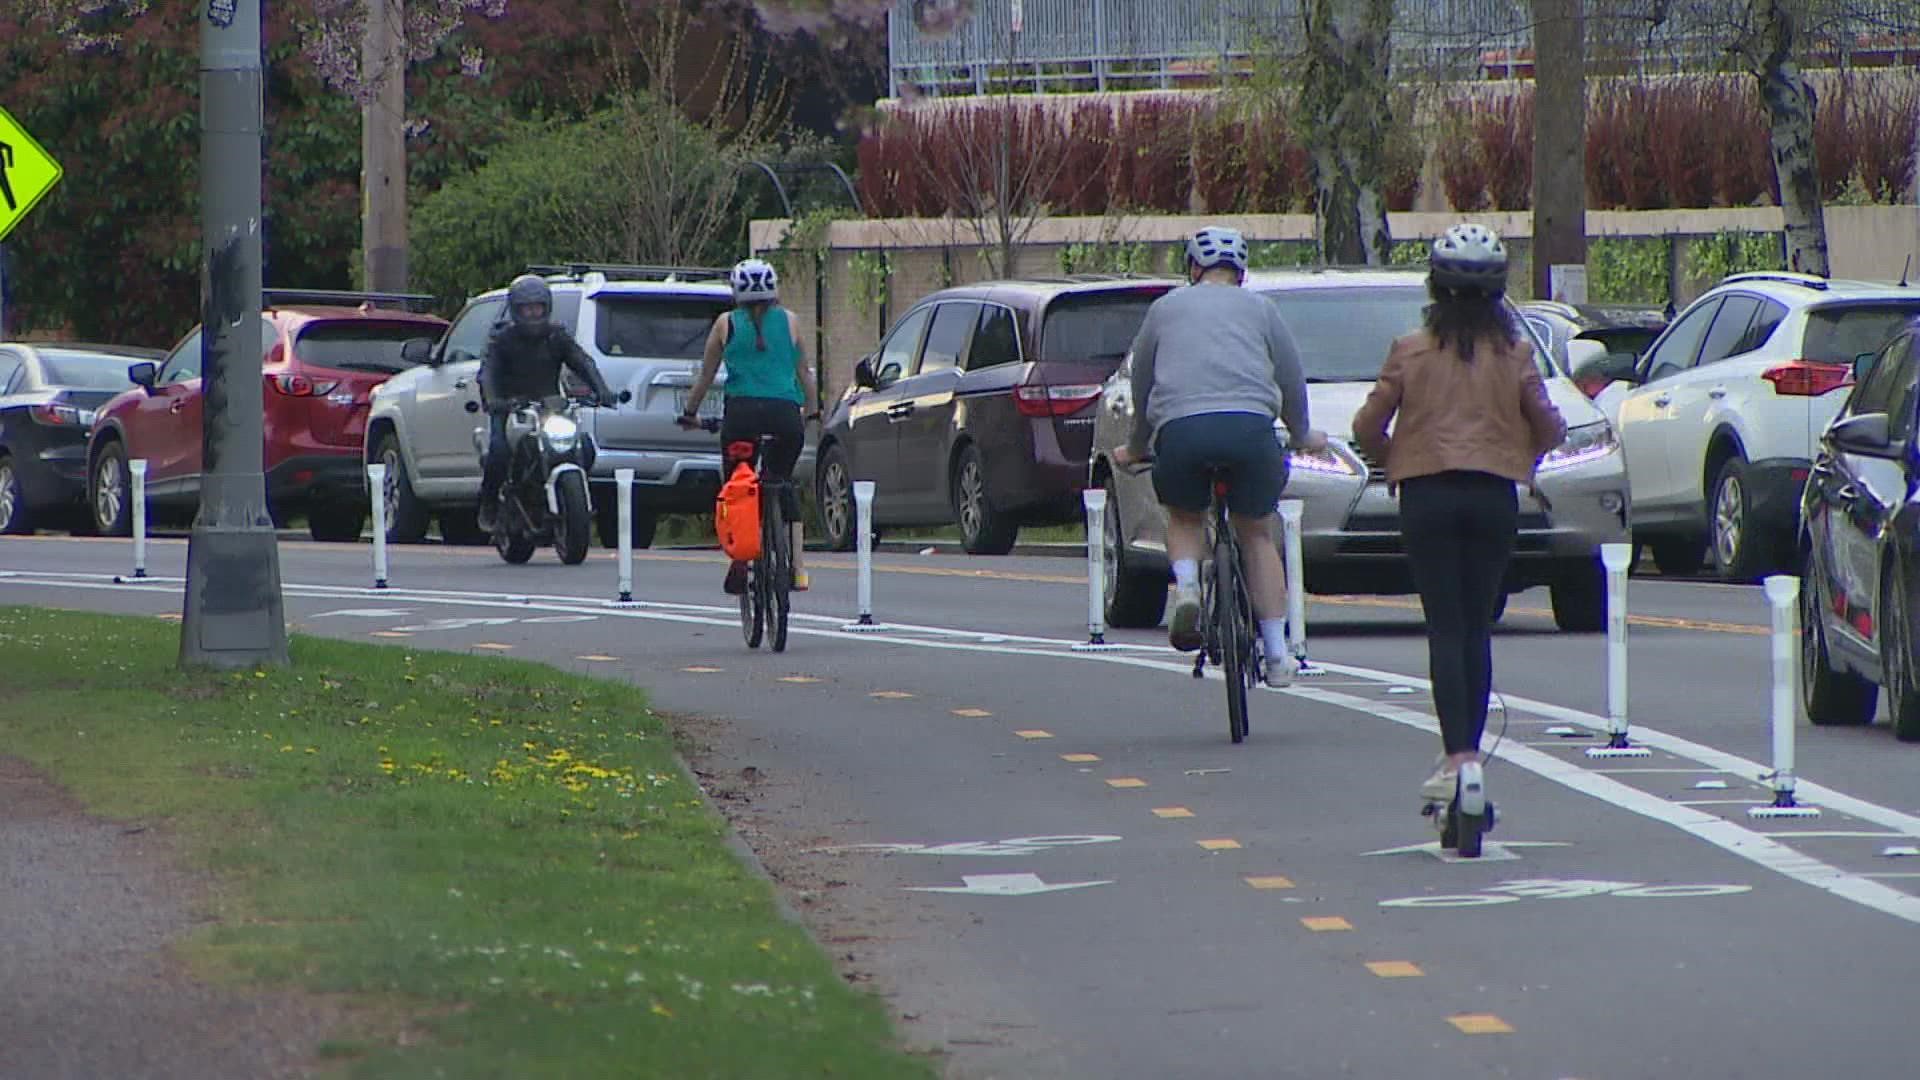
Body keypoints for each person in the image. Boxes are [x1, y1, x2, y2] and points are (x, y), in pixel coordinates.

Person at [1350, 224, 1567, 805]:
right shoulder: (1515, 354)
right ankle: (1472, 757)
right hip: (1493, 496)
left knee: (1444, 626)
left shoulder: (1409, 350)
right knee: (1477, 627)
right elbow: (1550, 425)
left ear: (1434, 288)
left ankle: (1458, 759)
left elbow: (1366, 426)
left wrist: (1397, 459)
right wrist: (1522, 451)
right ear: (1498, 294)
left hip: (1426, 497)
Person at [1111, 226, 1325, 689]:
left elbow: (1143, 383)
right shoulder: (1262, 310)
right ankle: (1276, 653)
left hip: (1183, 431)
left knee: (1186, 518)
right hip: (1250, 430)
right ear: (1241, 272)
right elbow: (1291, 377)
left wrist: (1136, 445)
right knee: (1257, 536)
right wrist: (1303, 433)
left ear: (1192, 268)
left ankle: (1187, 587)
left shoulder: (1164, 309)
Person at [676, 258, 822, 595]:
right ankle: (798, 568)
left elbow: (706, 377)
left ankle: (740, 559)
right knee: (782, 482)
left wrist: (690, 412)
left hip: (741, 417)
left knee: (738, 487)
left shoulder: (725, 324)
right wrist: (813, 412)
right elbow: (805, 376)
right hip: (785, 417)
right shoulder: (791, 322)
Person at [477, 274, 617, 532]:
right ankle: (489, 503)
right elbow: (488, 372)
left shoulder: (557, 336)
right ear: (516, 310)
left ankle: (573, 499)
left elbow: (582, 362)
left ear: (547, 308)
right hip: (511, 408)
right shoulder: (503, 340)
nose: (532, 314)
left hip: (549, 407)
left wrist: (603, 391)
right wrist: (494, 400)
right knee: (499, 451)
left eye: (537, 308)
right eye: (526, 309)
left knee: (584, 447)